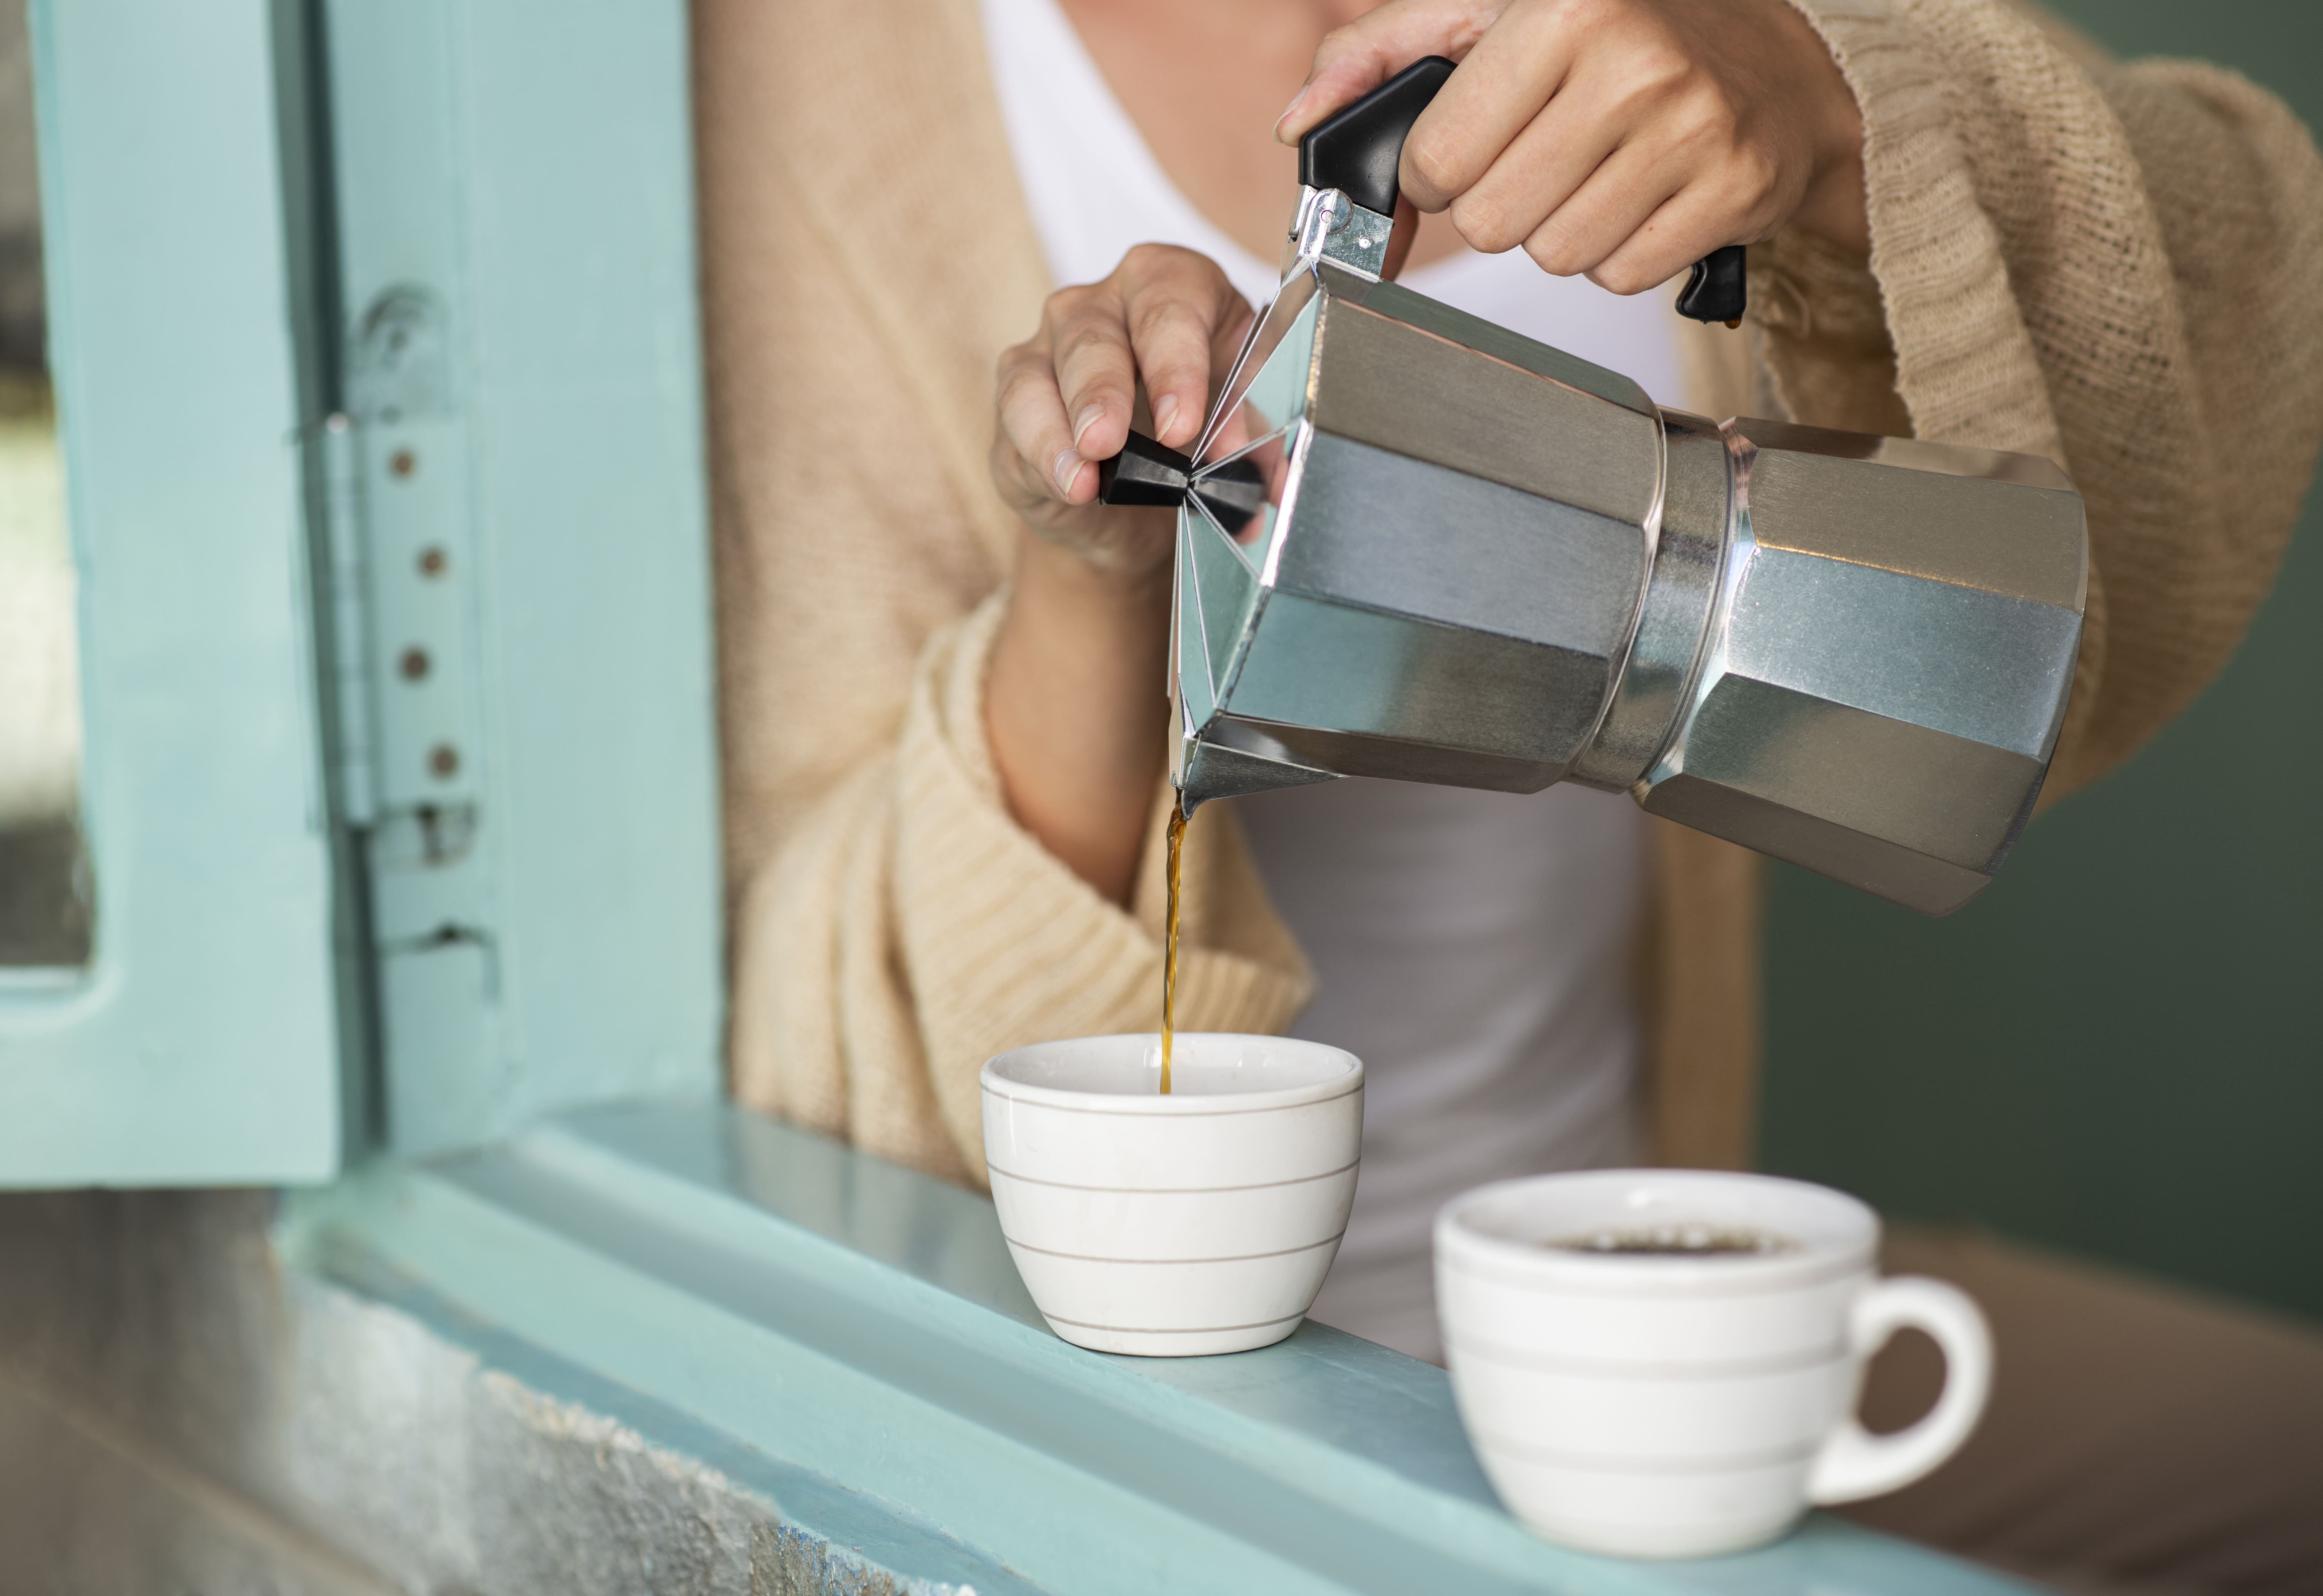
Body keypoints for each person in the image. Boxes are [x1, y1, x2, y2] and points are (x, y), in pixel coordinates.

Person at [697, 0, 2323, 1588]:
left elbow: (2243, 252)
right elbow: (819, 1072)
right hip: (1147, 1414)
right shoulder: (790, 78)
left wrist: (1830, 101)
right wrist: (1088, 586)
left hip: (1633, 1271)